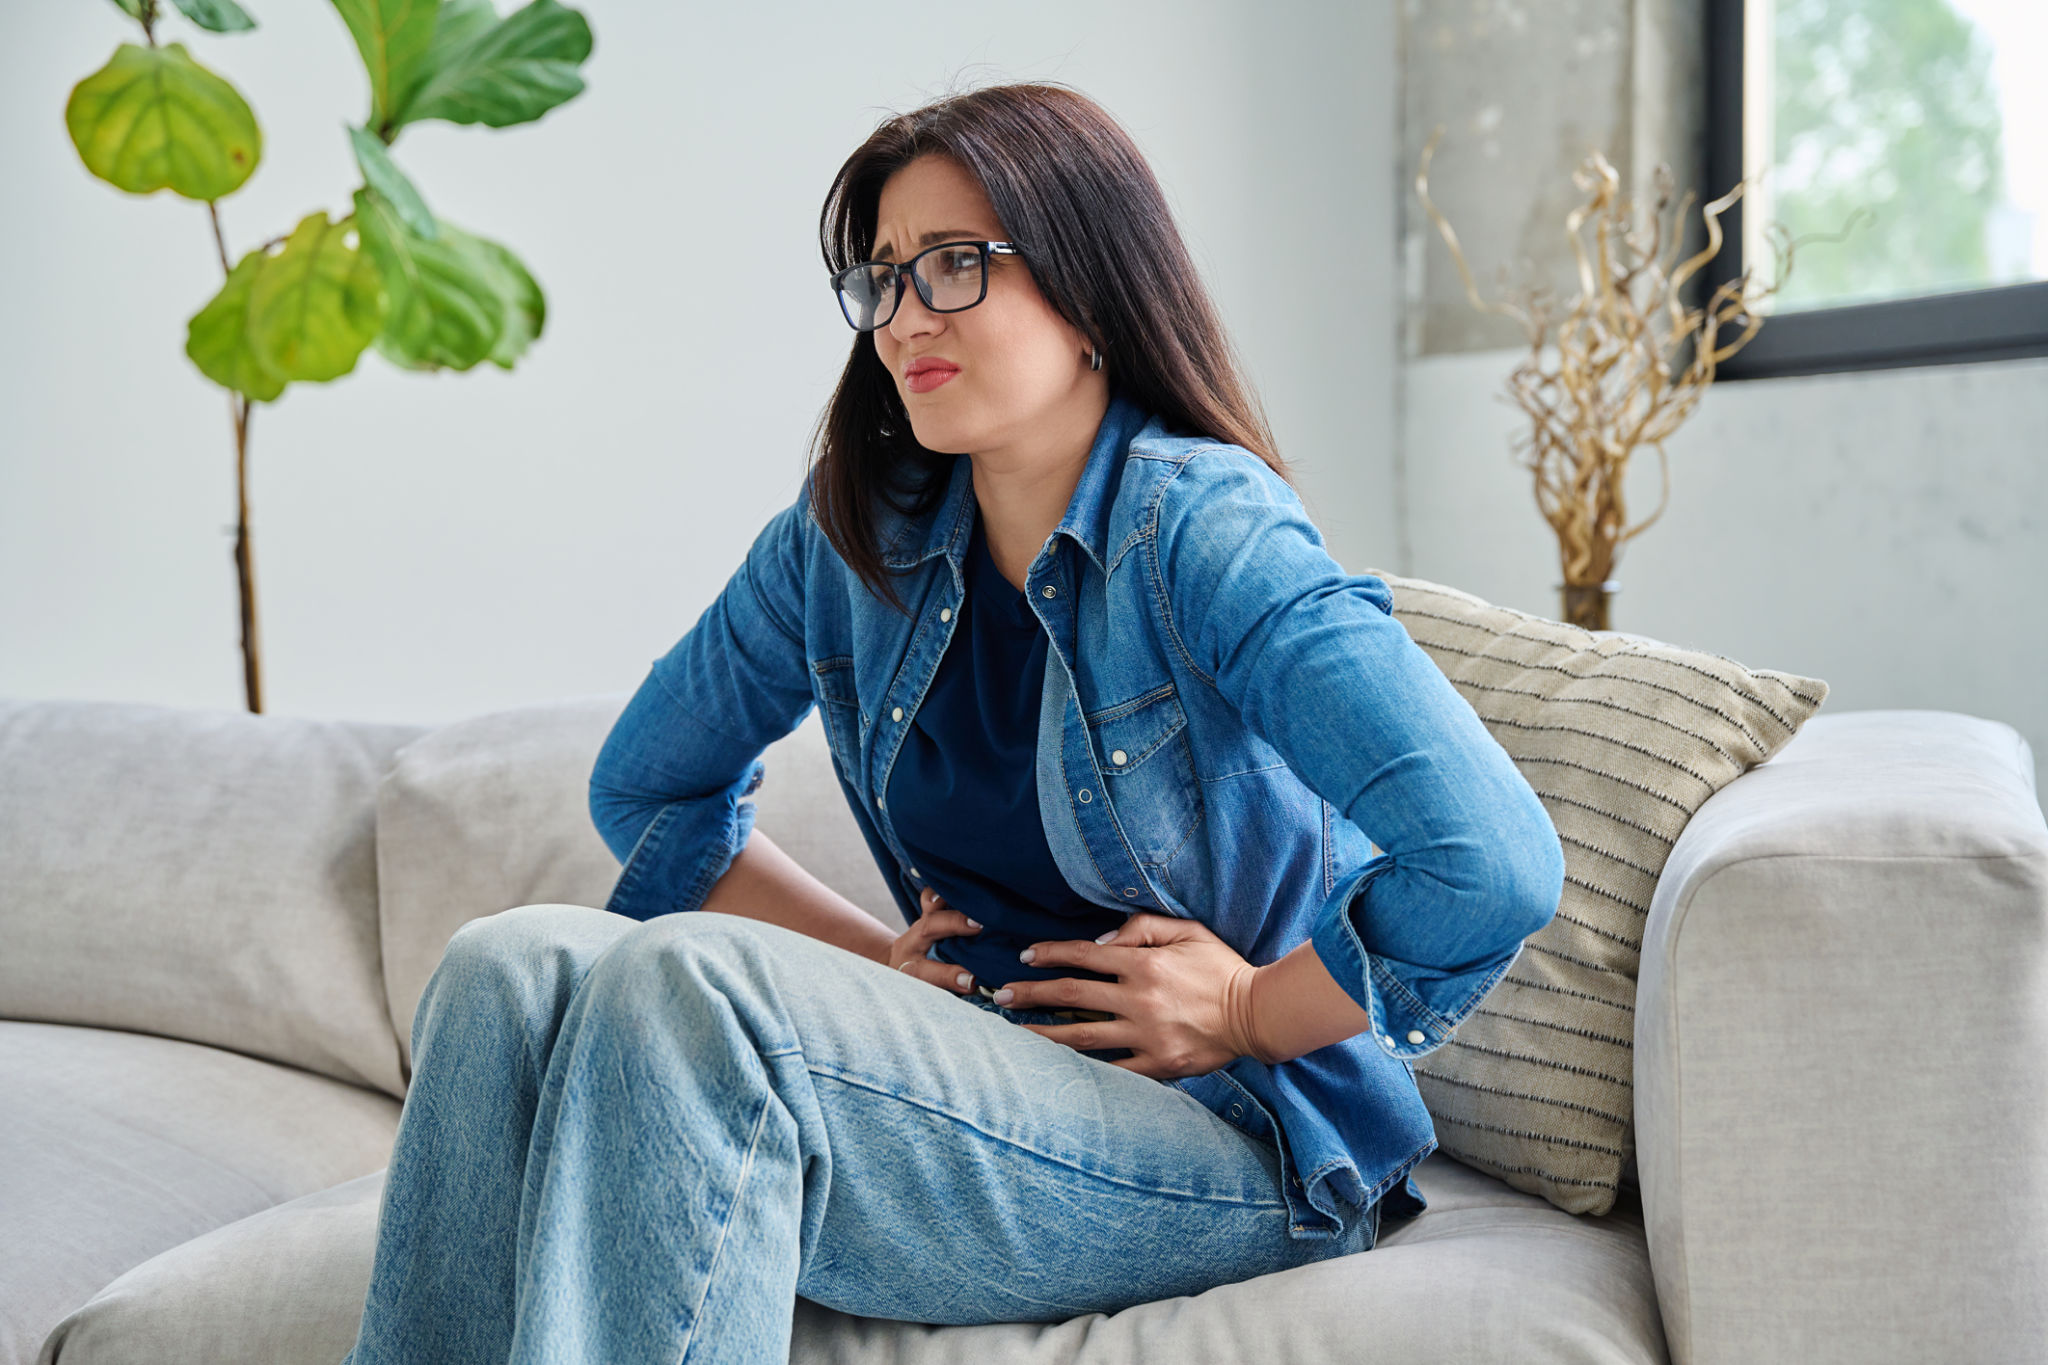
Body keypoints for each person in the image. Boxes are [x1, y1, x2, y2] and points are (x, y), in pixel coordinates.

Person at [341, 81, 1564, 1364]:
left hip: (1223, 1133)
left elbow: (1486, 861)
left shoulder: (1201, 527)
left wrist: (1253, 1007)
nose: (903, 317)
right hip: (960, 1087)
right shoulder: (851, 539)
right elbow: (650, 789)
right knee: (507, 963)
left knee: (683, 981)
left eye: (954, 267)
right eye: (882, 277)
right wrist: (872, 968)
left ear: (1091, 289)